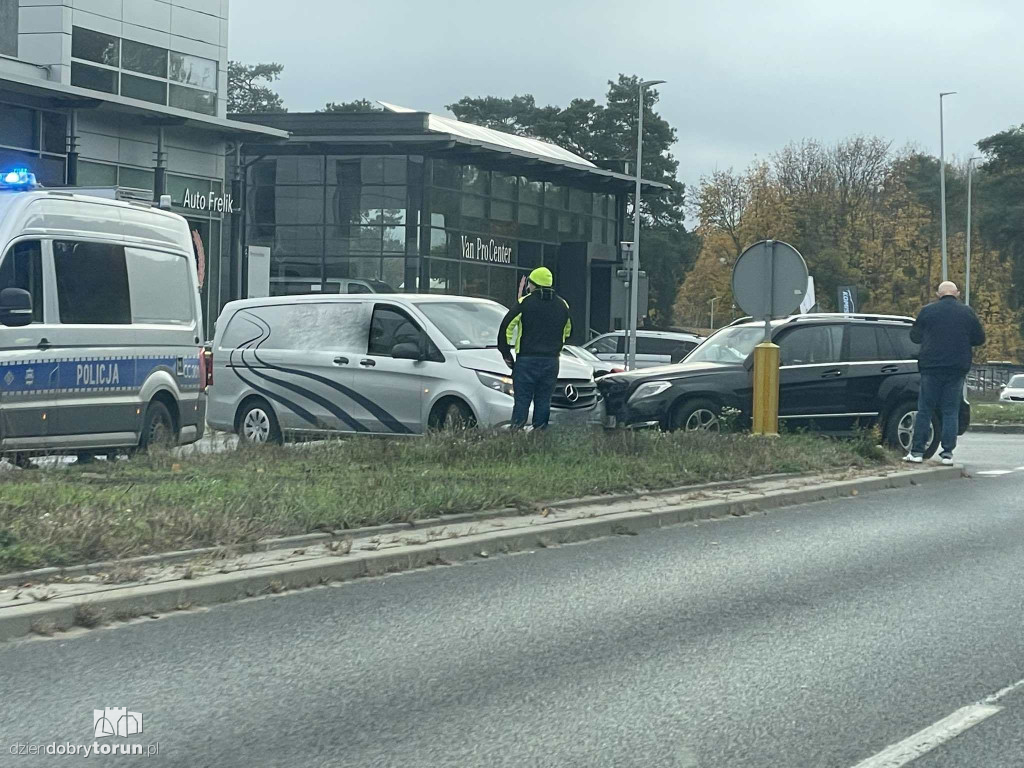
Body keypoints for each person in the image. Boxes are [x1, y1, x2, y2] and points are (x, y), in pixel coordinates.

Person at [904, 281, 985, 465]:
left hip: (931, 367)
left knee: (925, 409)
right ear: (956, 293)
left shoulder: (927, 311)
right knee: (950, 410)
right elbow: (980, 338)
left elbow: (914, 337)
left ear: (938, 294)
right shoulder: (967, 312)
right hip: (956, 367)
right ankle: (947, 453)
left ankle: (917, 452)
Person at [497, 267, 572, 430]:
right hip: (551, 361)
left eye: (529, 283)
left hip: (527, 360)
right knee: (544, 400)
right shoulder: (562, 304)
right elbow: (568, 331)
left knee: (522, 400)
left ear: (534, 284)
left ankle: (516, 433)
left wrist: (505, 352)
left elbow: (506, 327)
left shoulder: (525, 302)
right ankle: (539, 434)